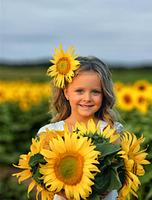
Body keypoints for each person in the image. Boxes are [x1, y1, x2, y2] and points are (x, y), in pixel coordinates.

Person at [38, 45, 122, 200]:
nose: (87, 98)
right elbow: (45, 178)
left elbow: (116, 175)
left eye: (95, 92)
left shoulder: (108, 131)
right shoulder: (50, 133)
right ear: (66, 92)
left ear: (104, 95)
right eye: (80, 91)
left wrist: (102, 188)